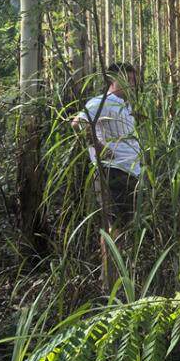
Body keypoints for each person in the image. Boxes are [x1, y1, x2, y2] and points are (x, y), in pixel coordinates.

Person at [71, 62, 143, 240]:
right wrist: (98, 147)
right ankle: (110, 267)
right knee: (114, 226)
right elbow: (77, 123)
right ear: (113, 79)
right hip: (111, 171)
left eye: (134, 80)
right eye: (128, 79)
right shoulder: (101, 102)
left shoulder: (125, 105)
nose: (132, 84)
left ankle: (120, 267)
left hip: (129, 172)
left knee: (124, 225)